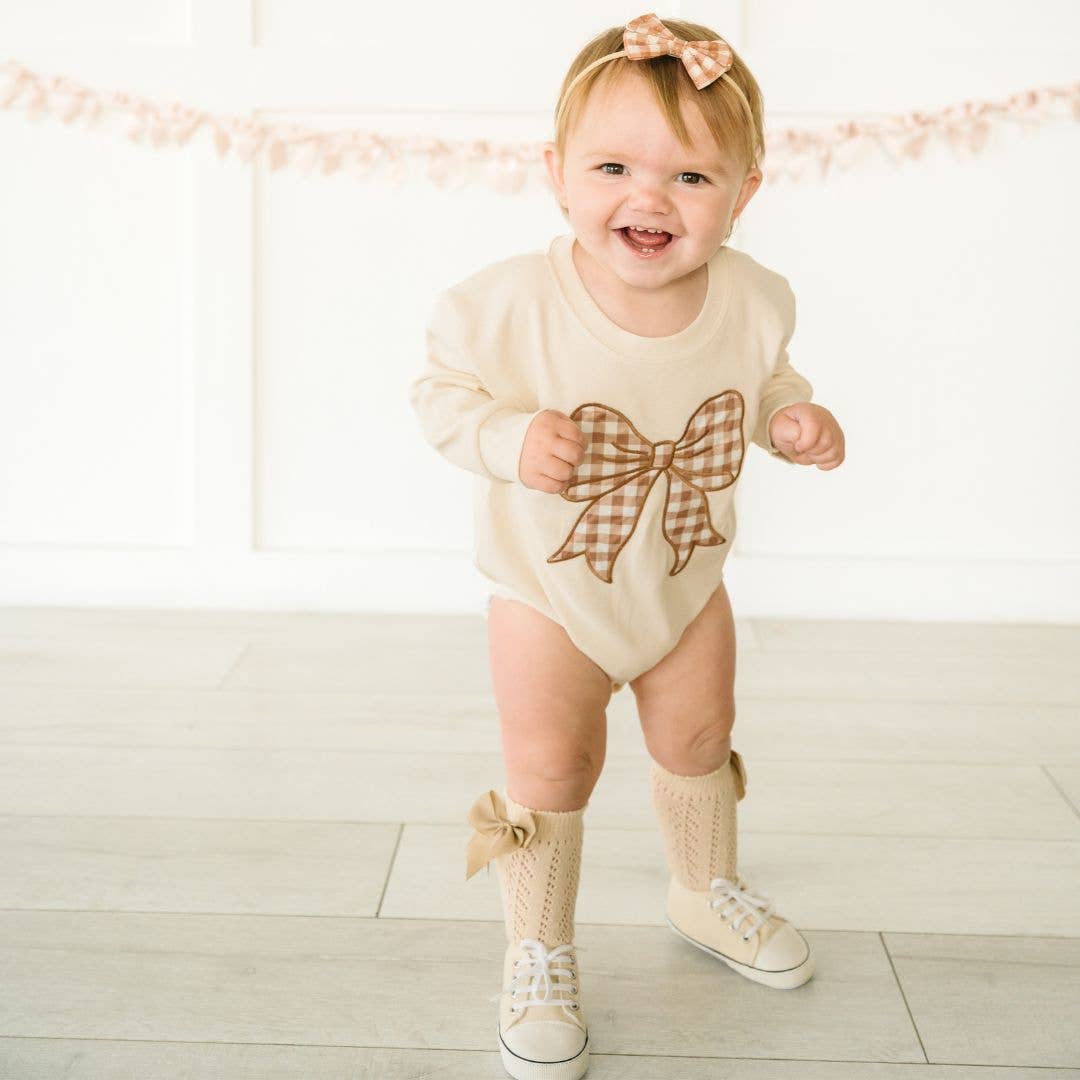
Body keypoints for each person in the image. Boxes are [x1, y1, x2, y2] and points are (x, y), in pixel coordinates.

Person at [408, 13, 846, 1079]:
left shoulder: (754, 297)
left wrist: (791, 417)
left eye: (693, 178)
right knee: (553, 764)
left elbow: (763, 378)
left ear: (745, 192)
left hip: (685, 577)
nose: (649, 199)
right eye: (613, 166)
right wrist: (510, 440)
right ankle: (540, 947)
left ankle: (703, 887)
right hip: (547, 587)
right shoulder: (506, 304)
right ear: (558, 175)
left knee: (699, 736)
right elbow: (438, 399)